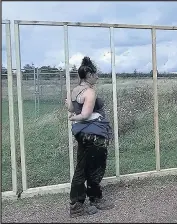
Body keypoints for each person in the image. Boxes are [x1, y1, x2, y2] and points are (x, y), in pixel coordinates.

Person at [65, 56, 113, 218]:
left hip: (83, 134)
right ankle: (80, 204)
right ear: (89, 75)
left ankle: (92, 199)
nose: (98, 77)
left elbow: (71, 107)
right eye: (96, 74)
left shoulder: (75, 90)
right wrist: (74, 118)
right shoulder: (90, 92)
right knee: (93, 168)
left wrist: (74, 115)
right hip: (93, 134)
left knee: (84, 166)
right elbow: (84, 115)